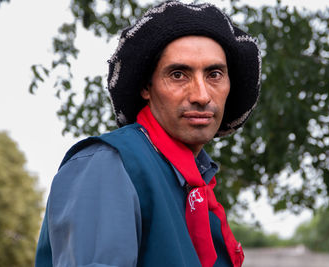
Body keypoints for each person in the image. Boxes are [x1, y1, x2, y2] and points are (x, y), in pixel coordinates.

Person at [35, 1, 261, 267]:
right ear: (146, 86)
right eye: (178, 75)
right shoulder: (108, 165)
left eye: (214, 74)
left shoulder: (197, 183)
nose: (201, 95)